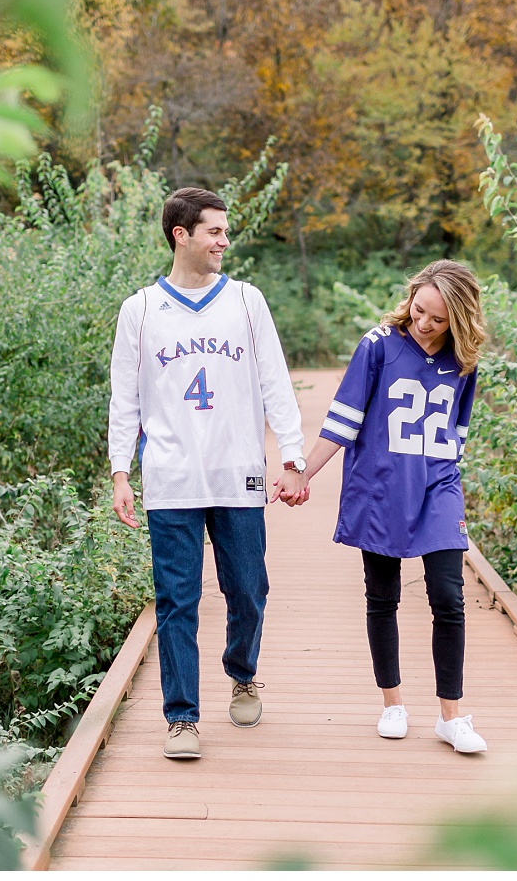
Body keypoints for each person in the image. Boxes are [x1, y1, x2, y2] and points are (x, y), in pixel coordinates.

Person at [108, 186, 308, 760]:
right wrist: (122, 472)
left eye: (225, 231)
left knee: (248, 590)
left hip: (238, 473)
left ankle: (242, 673)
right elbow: (125, 398)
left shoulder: (246, 301)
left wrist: (292, 458)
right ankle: (182, 718)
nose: (225, 240)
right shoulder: (141, 309)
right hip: (169, 478)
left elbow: (275, 380)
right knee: (176, 599)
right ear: (182, 235)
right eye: (215, 231)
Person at [299, 260, 489, 754]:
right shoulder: (378, 345)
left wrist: (441, 479)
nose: (424, 323)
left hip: (438, 486)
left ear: (459, 321)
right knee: (382, 596)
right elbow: (342, 419)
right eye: (420, 310)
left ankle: (452, 715)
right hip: (380, 486)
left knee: (448, 596)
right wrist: (302, 472)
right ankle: (393, 703)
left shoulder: (464, 362)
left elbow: (457, 431)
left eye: (438, 319)